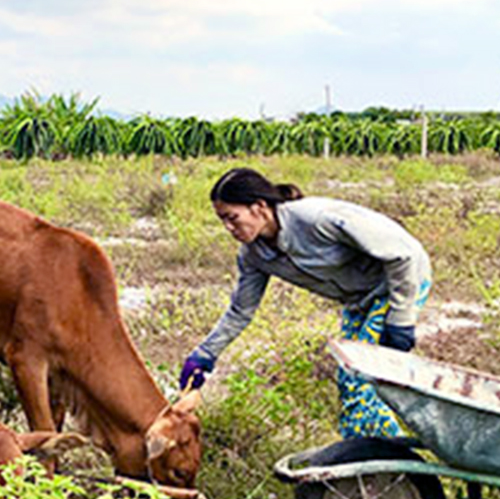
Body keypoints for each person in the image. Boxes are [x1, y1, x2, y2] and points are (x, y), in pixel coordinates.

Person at [179, 167, 432, 439]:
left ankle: (396, 464)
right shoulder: (254, 255)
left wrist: (401, 320)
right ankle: (364, 455)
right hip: (360, 301)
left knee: (359, 380)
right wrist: (205, 354)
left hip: (398, 284)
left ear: (259, 207)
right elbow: (240, 311)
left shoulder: (317, 219)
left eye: (232, 218)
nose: (228, 228)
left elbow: (403, 254)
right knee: (349, 378)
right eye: (222, 220)